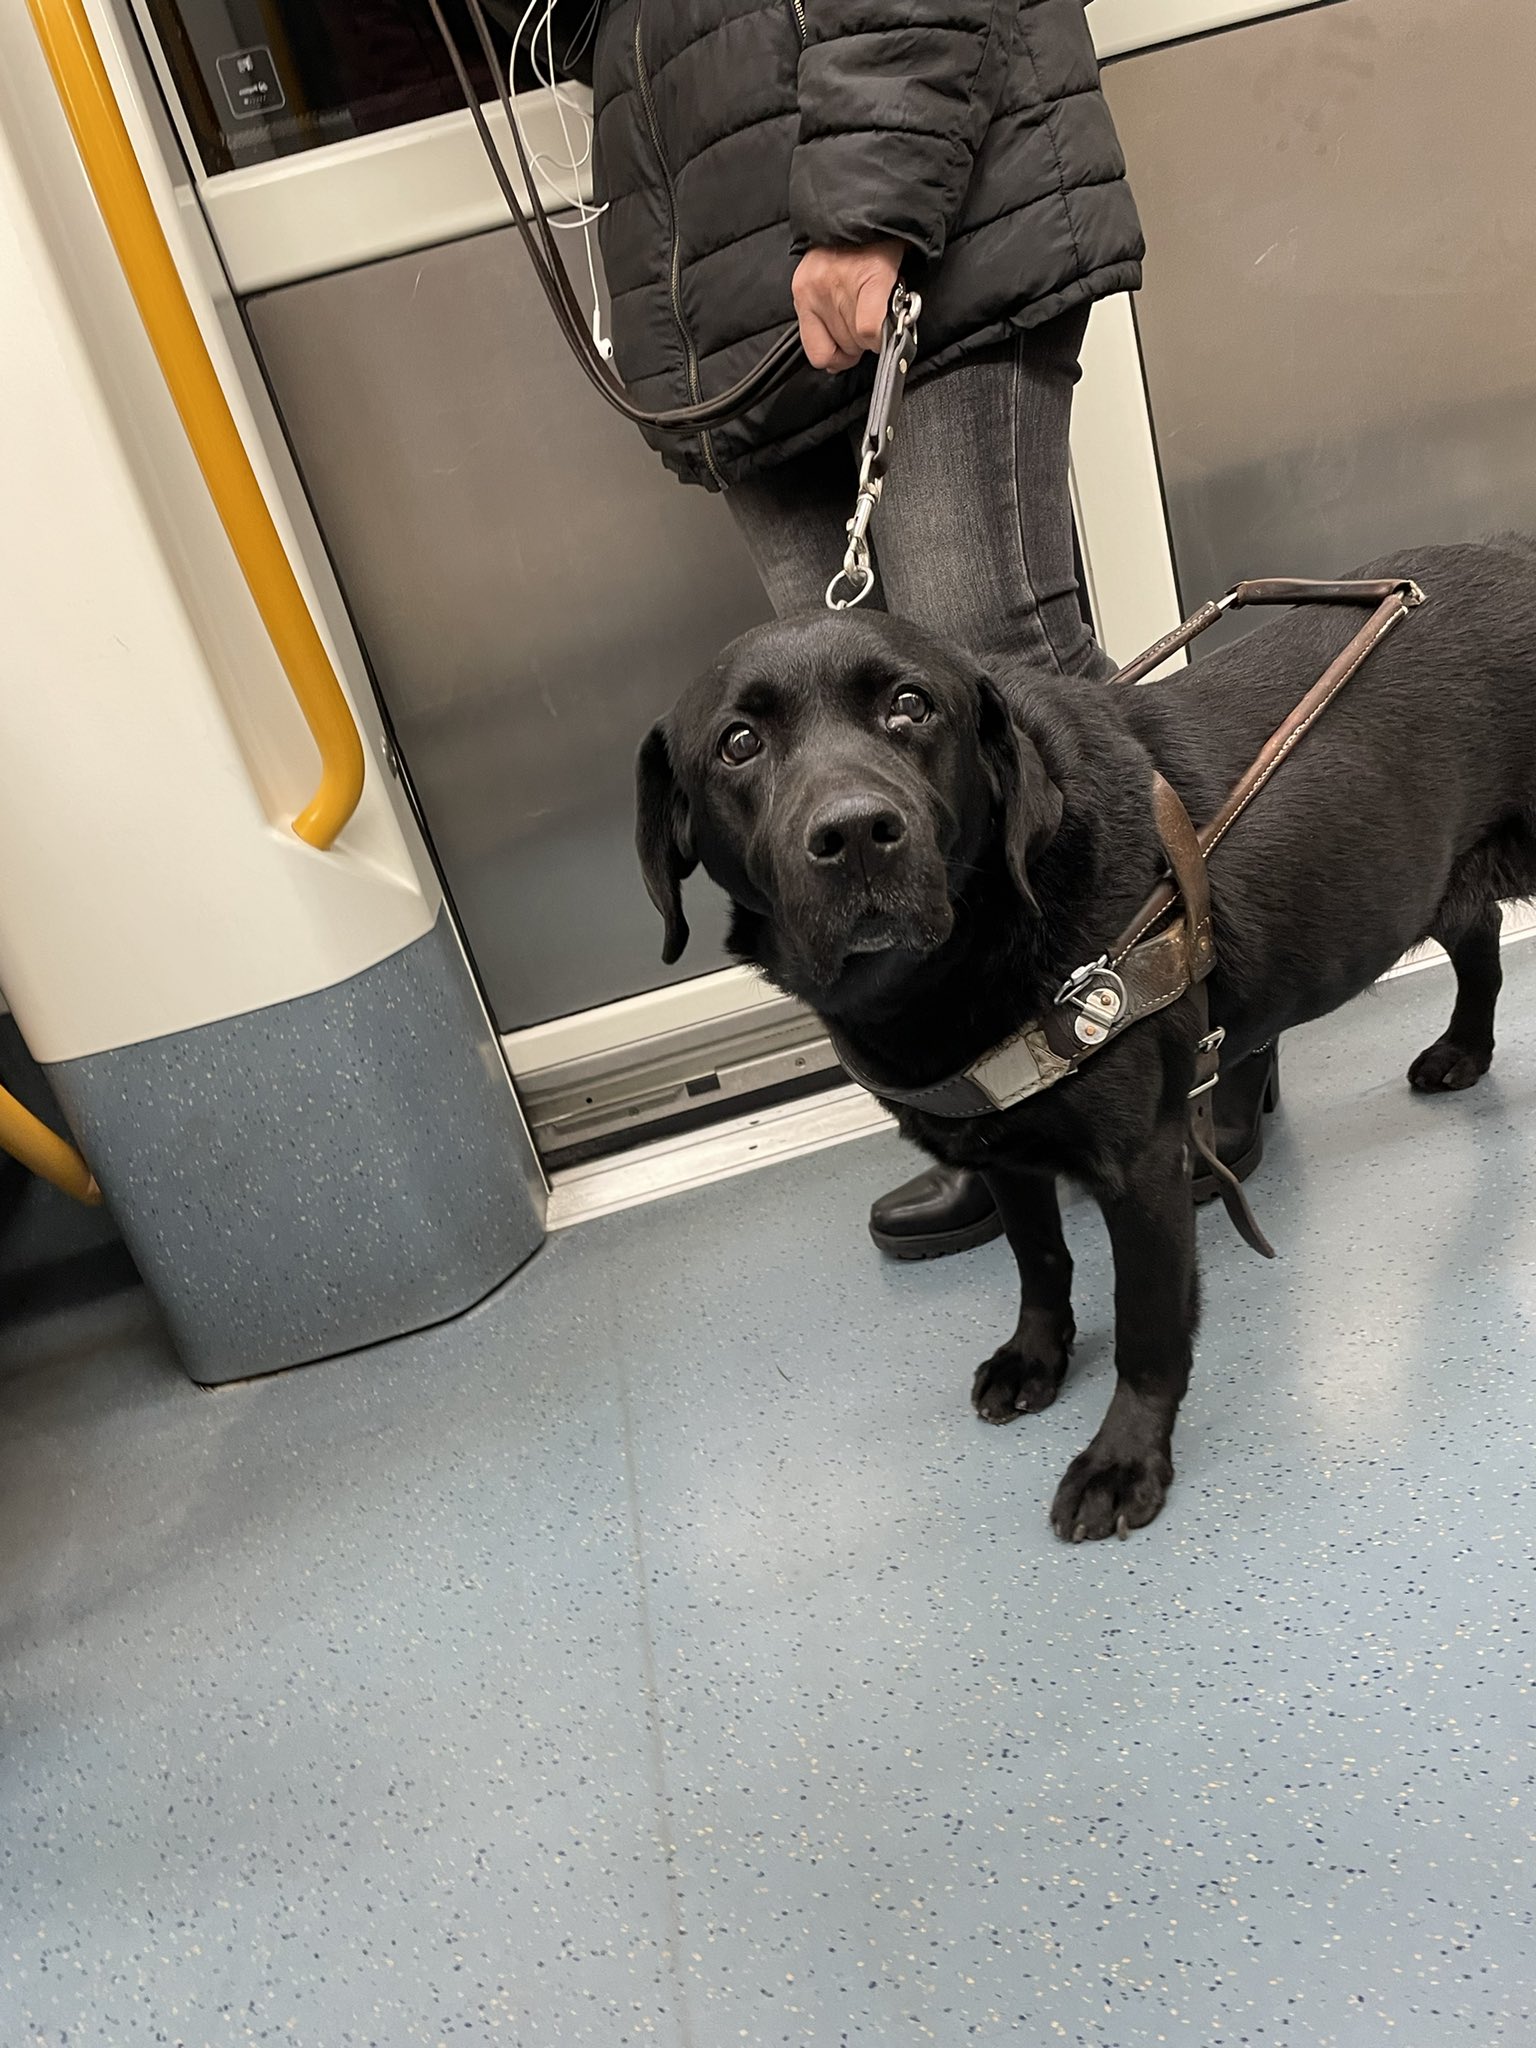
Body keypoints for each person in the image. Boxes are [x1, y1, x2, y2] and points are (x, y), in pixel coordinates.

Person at [582, 0, 1276, 1257]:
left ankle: (1200, 1038)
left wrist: (869, 201)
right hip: (726, 292)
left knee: (1006, 682)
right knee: (833, 758)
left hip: (921, 193)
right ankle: (992, 1103)